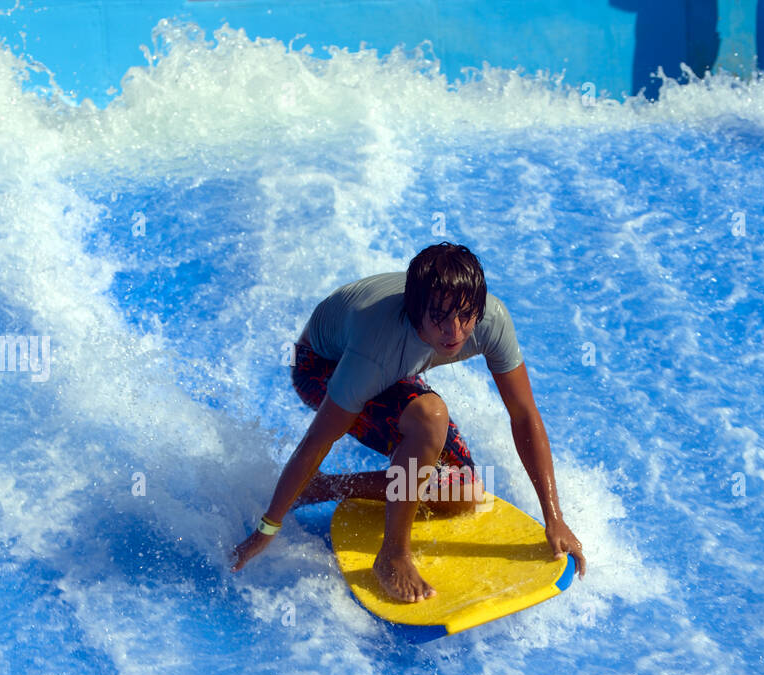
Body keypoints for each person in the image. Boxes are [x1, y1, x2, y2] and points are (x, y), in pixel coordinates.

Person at [230, 243, 586, 602]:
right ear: (415, 312)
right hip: (321, 367)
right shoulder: (378, 347)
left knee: (463, 492)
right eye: (440, 318)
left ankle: (322, 487)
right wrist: (267, 527)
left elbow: (524, 415)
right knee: (429, 418)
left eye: (465, 316)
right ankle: (393, 555)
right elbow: (318, 440)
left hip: (385, 361)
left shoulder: (490, 320)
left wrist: (553, 516)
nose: (454, 331)